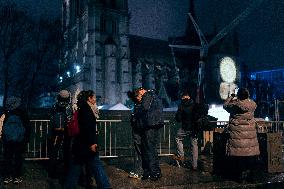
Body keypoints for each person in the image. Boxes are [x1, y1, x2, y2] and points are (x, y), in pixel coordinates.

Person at [64, 90, 111, 189]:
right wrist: (92, 143)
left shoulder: (81, 107)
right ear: (89, 98)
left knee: (76, 167)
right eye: (93, 97)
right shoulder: (86, 109)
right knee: (96, 165)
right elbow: (88, 128)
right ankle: (105, 186)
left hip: (80, 144)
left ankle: (69, 186)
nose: (95, 99)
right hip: (86, 144)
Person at [223, 88, 260, 182]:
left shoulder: (234, 106)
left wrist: (231, 96)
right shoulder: (252, 105)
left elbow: (225, 105)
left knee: (240, 159)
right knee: (250, 158)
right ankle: (252, 176)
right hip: (250, 138)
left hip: (238, 137)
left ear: (238, 95)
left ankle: (241, 177)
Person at [134, 87, 164, 181]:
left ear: (142, 90)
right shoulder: (155, 95)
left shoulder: (147, 95)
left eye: (140, 93)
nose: (140, 96)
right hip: (155, 124)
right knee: (151, 149)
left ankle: (154, 172)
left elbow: (144, 107)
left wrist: (135, 114)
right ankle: (154, 171)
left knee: (149, 150)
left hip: (150, 125)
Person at [1, 96, 30, 184]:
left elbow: (2, 127)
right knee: (18, 158)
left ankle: (7, 176)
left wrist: (3, 138)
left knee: (8, 158)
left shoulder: (6, 113)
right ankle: (17, 177)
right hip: (20, 140)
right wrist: (26, 139)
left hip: (8, 140)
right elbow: (27, 127)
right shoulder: (22, 113)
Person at [48, 90, 73, 180]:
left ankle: (52, 172)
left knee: (54, 151)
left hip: (55, 131)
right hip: (66, 132)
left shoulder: (55, 106)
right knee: (67, 151)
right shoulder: (68, 107)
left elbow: (50, 116)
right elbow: (70, 119)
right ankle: (66, 172)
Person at [172, 91, 198, 170]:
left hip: (185, 128)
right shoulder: (195, 105)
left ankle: (181, 155)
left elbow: (178, 118)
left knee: (178, 138)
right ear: (189, 97)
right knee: (194, 146)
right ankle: (194, 165)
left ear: (183, 97)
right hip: (194, 128)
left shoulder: (181, 105)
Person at [127, 91, 143, 179]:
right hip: (139, 130)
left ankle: (138, 171)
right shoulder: (140, 105)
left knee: (138, 152)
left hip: (138, 131)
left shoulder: (137, 106)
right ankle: (139, 171)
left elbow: (134, 119)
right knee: (139, 151)